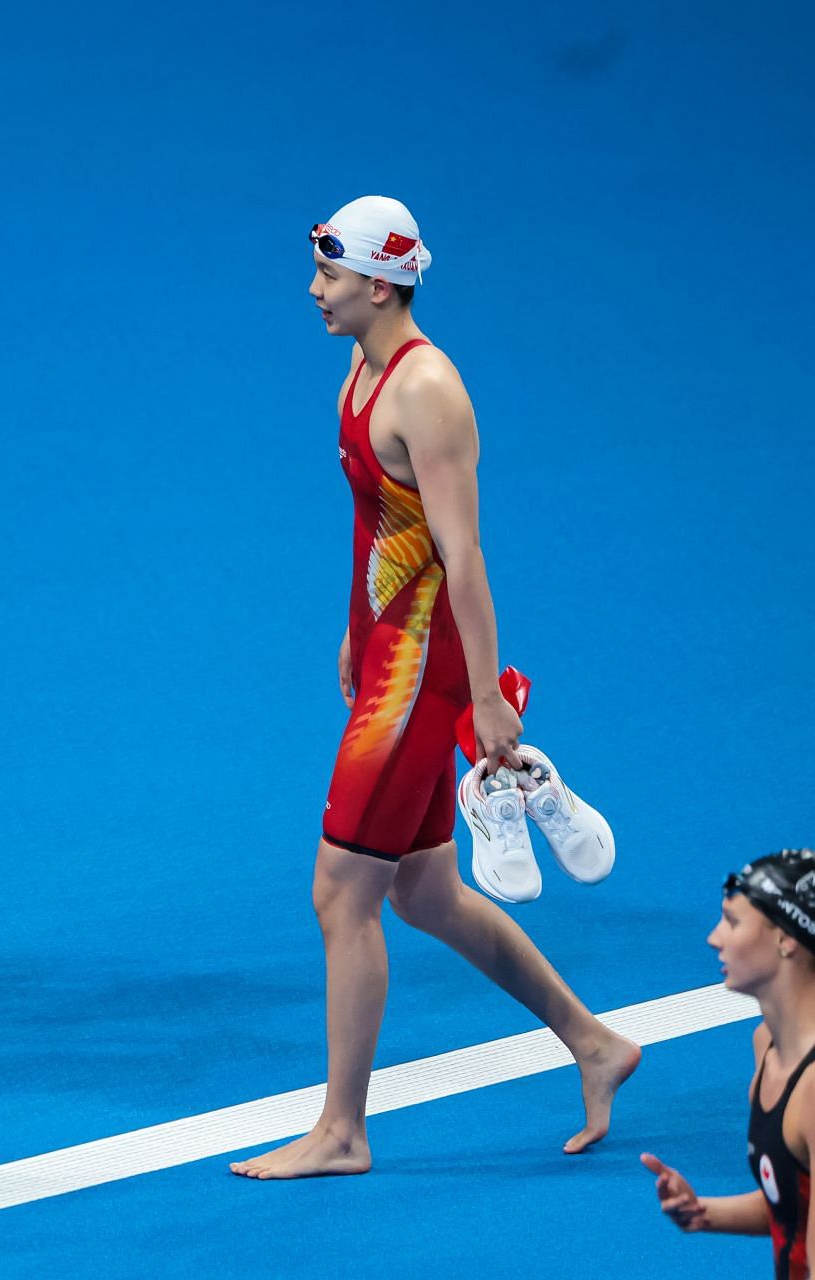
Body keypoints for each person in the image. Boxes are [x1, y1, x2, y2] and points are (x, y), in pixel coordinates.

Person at [229, 197, 639, 1179]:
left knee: (341, 891)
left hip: (424, 666)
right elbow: (381, 521)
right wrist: (351, 622)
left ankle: (342, 1130)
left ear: (378, 283)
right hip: (388, 646)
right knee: (422, 890)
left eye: (328, 273)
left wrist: (487, 698)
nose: (312, 287)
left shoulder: (429, 391)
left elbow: (462, 552)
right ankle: (595, 1041)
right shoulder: (360, 367)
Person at [644, 850, 815, 1279]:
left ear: (786, 938)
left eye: (733, 922)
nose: (713, 938)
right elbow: (794, 1205)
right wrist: (704, 1213)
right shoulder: (768, 1046)